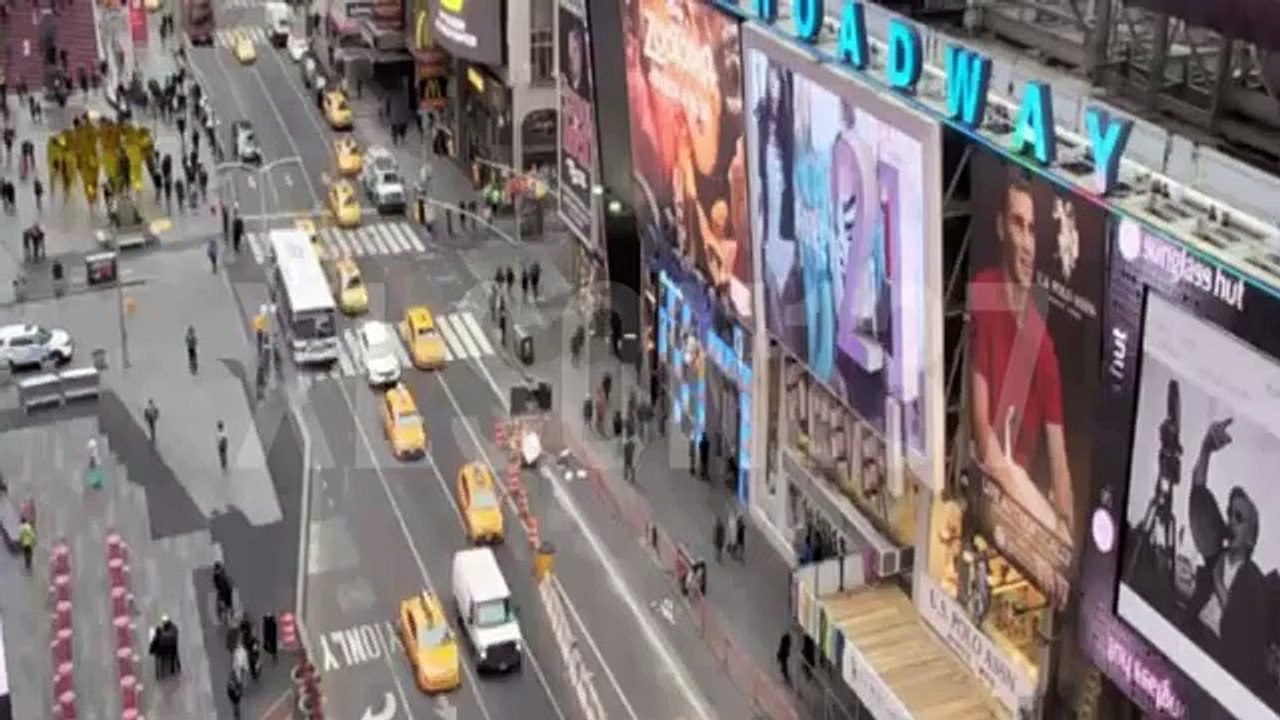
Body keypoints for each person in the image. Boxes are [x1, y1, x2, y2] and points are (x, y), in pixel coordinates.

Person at [968, 168, 1074, 538]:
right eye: (1018, 225)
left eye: (1033, 230)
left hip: (1019, 509)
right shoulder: (984, 290)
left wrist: (1062, 537)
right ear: (1001, 229)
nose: (1027, 244)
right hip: (990, 486)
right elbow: (982, 427)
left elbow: (1059, 462)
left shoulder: (1042, 346)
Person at [1179, 417, 1271, 698]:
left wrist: (1218, 577)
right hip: (1190, 637)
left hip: (1221, 662)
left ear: (1252, 537)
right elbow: (1198, 498)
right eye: (1230, 512)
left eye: (1239, 517)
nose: (1230, 519)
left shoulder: (1253, 578)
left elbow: (1240, 622)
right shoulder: (1217, 551)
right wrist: (1205, 450)